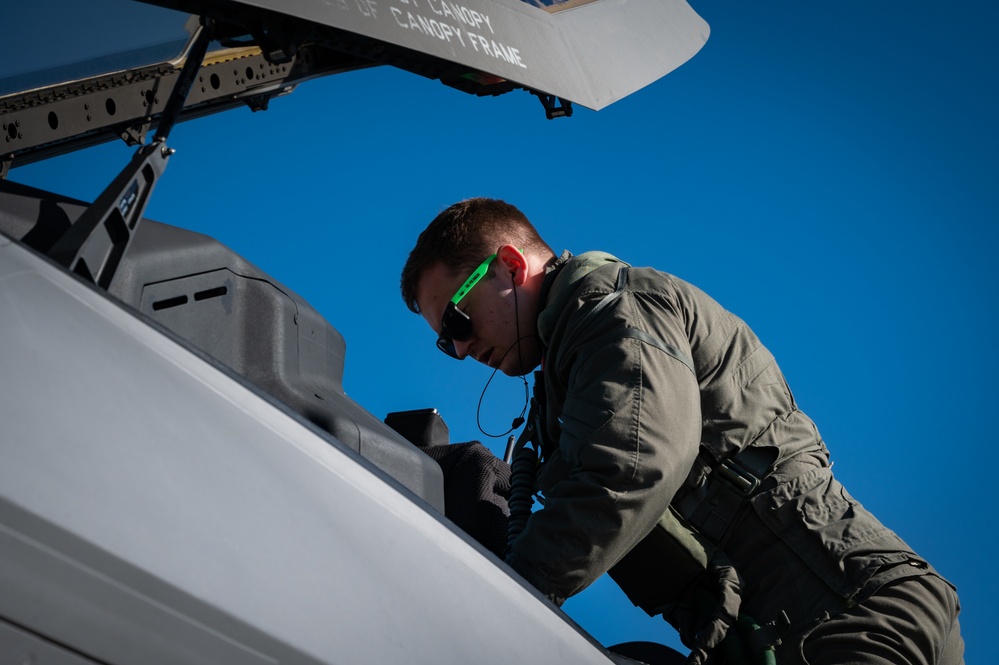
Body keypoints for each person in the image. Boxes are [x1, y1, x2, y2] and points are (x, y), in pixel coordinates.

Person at [399, 197, 964, 665]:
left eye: (456, 320)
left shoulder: (615, 312)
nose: (461, 349)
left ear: (509, 265)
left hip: (848, 611)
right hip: (801, 628)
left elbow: (633, 467)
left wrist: (496, 594)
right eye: (444, 342)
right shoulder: (570, 377)